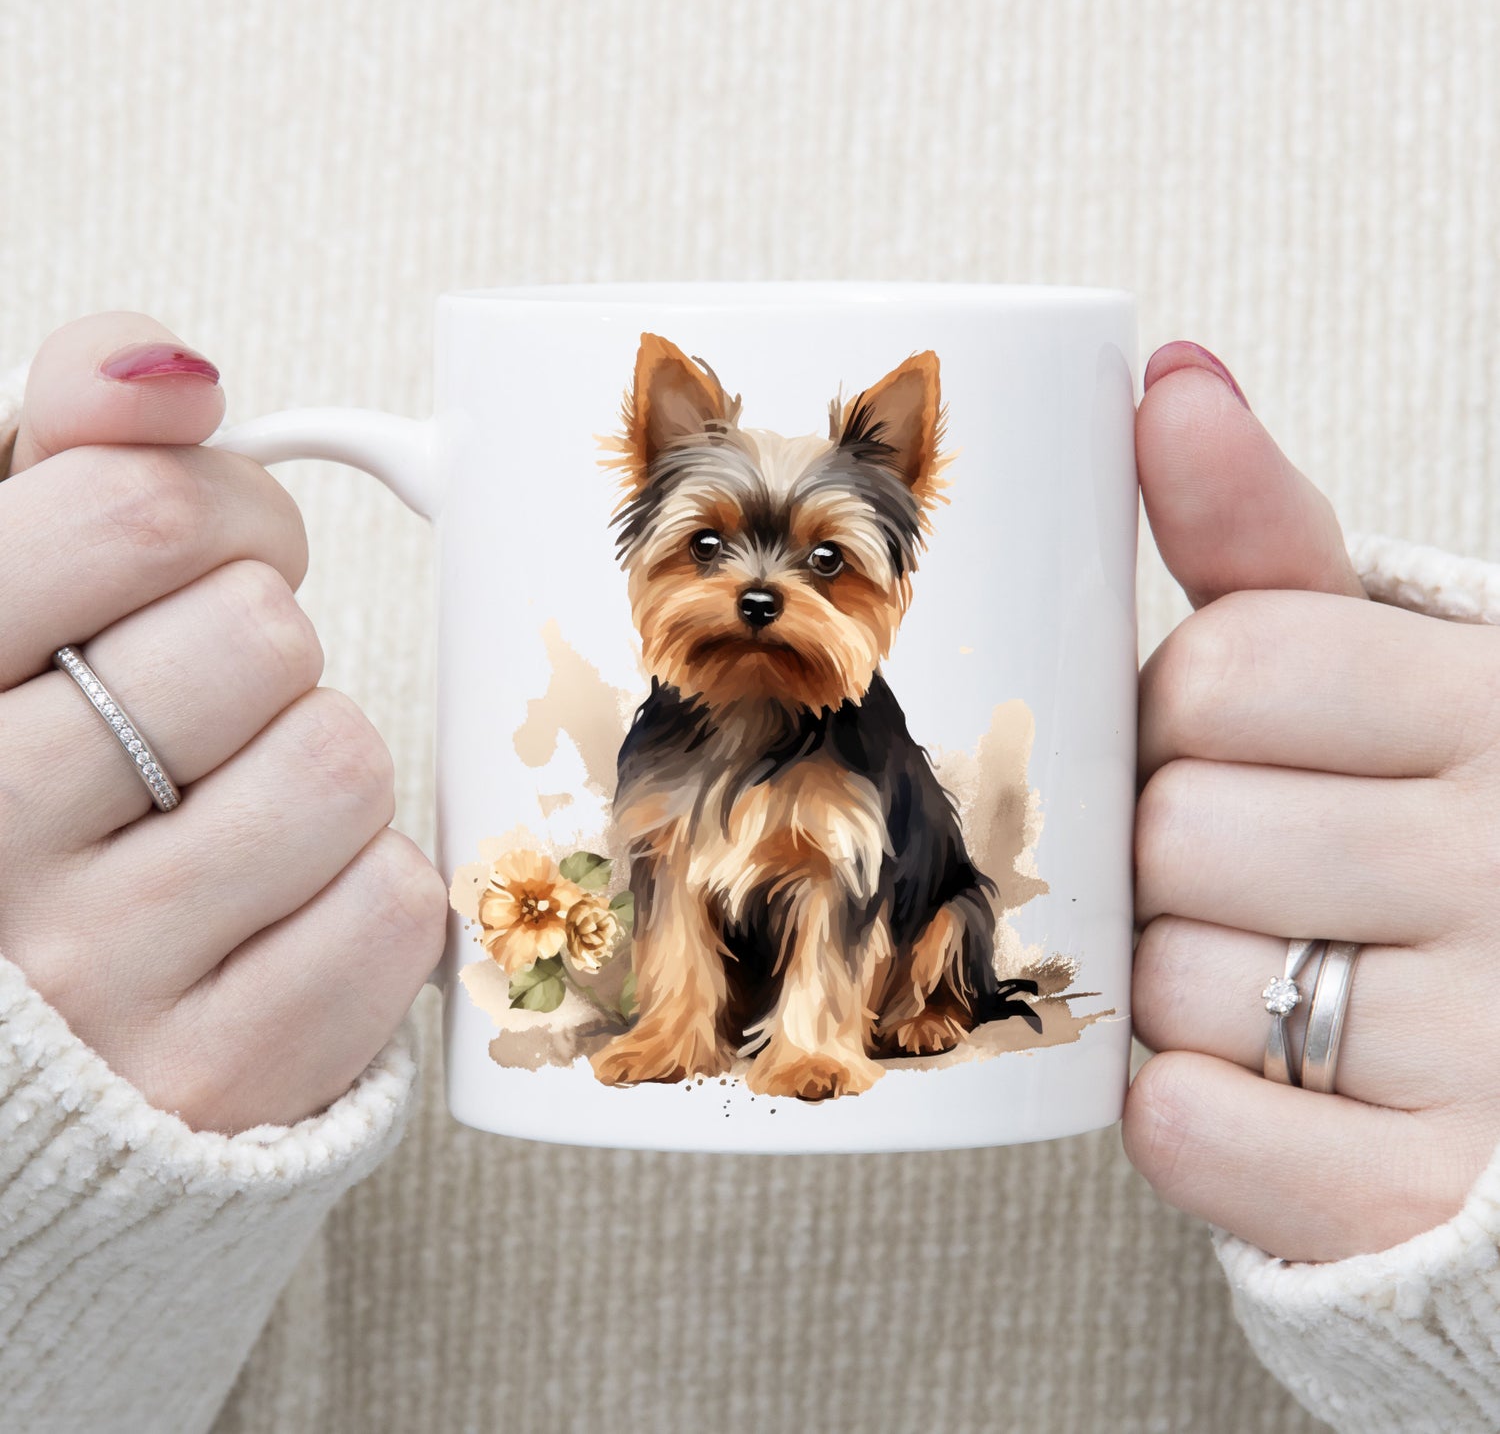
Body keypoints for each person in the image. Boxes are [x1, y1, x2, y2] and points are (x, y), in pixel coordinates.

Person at [1, 313, 1498, 1434]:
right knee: (673, 904)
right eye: (712, 544)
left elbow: (876, 893)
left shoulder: (867, 757)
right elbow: (667, 895)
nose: (766, 584)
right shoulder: (659, 761)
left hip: (918, 939)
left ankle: (853, 1024)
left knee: (911, 912)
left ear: (895, 563)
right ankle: (682, 1026)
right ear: (648, 538)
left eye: (827, 562)